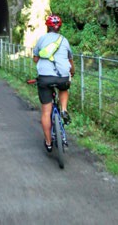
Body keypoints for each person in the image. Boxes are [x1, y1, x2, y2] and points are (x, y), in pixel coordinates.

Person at [33, 14, 75, 153]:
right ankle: (63, 110)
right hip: (62, 76)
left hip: (45, 78)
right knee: (64, 87)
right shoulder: (64, 40)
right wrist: (71, 73)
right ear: (59, 27)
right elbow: (70, 60)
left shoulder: (41, 39)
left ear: (47, 26)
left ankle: (49, 143)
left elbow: (35, 58)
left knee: (46, 111)